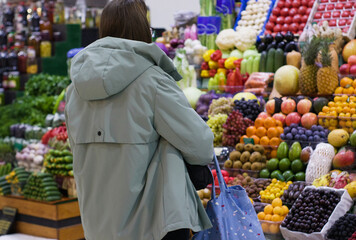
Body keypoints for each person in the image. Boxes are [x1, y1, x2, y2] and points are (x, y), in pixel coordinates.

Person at [64, 0, 214, 239]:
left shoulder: (74, 91)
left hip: (98, 225)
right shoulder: (152, 81)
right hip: (153, 224)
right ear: (142, 31)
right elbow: (201, 144)